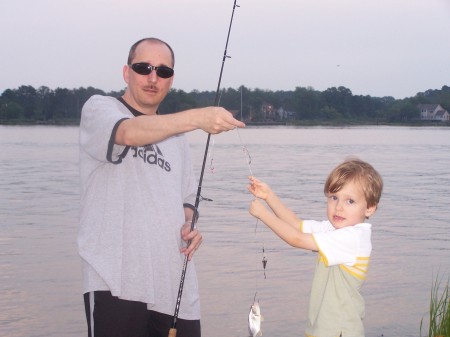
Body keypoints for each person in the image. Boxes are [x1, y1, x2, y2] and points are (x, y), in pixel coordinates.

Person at [78, 37, 245, 337]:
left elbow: (187, 200)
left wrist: (189, 224)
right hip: (116, 283)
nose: (153, 78)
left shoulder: (177, 139)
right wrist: (198, 117)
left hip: (175, 289)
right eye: (144, 68)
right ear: (126, 73)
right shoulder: (100, 109)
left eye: (163, 72)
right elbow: (128, 133)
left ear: (171, 80)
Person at [247, 158, 383, 337]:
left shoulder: (352, 237)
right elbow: (297, 225)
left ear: (369, 208)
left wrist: (263, 214)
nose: (339, 207)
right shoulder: (335, 230)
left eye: (350, 201)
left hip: (339, 331)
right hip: (323, 328)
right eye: (334, 198)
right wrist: (269, 197)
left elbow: (296, 239)